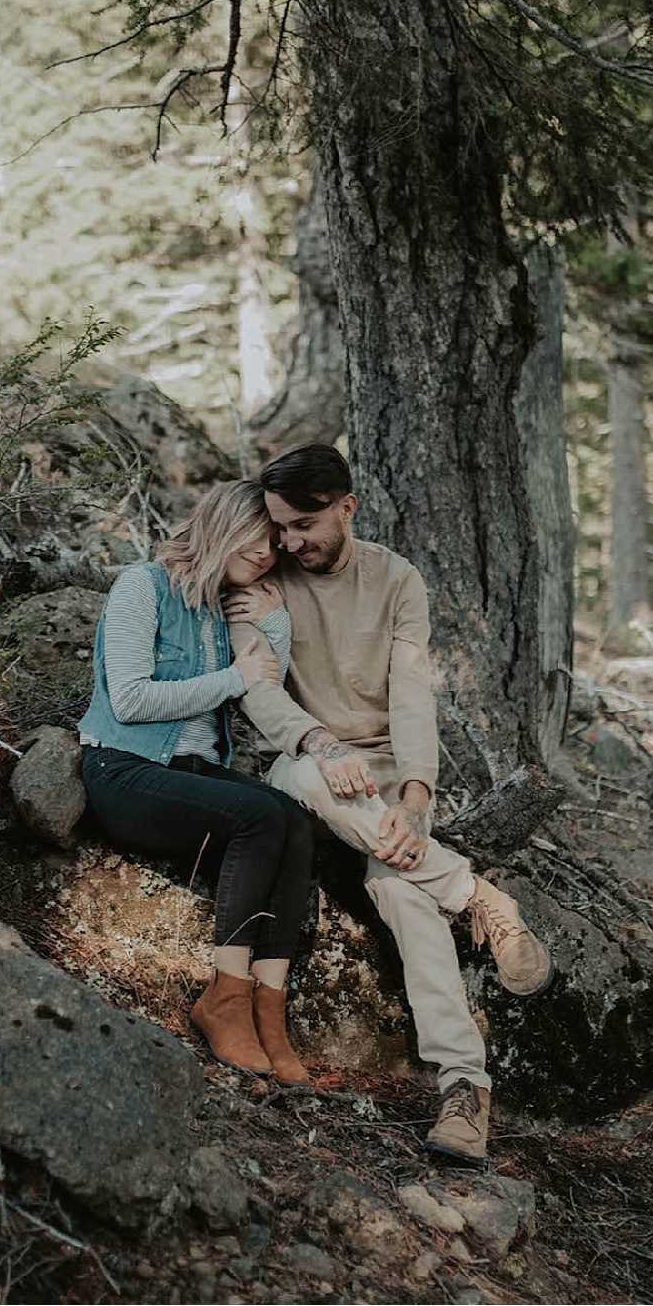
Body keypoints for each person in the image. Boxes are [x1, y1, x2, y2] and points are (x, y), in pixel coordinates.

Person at [232, 443, 553, 1164]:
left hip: (384, 780)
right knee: (315, 783)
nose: (289, 541)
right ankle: (474, 893)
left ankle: (465, 1091)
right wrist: (319, 741)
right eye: (280, 526)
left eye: (304, 524)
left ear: (347, 507)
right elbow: (259, 692)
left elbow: (412, 691)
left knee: (402, 891)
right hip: (305, 762)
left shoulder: (398, 579)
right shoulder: (263, 580)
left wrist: (414, 793)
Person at [77, 480, 316, 1084]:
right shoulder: (143, 586)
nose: (266, 552)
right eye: (256, 536)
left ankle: (270, 1006)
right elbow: (129, 700)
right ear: (222, 523)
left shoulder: (222, 607)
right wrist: (233, 678)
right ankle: (224, 999)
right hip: (126, 769)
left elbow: (264, 685)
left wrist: (276, 622)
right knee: (259, 817)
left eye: (274, 545)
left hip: (192, 774)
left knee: (293, 817)